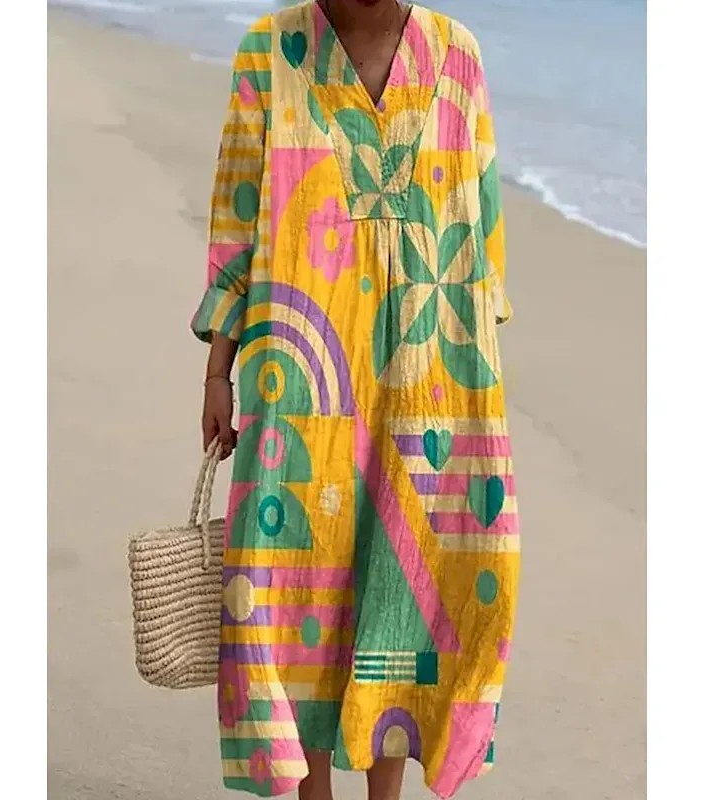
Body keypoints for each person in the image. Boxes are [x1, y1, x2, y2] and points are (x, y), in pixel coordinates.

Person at [193, 1, 519, 798]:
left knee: (409, 580)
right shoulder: (268, 52)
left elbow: (481, 233)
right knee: (296, 580)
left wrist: (473, 376)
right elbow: (238, 218)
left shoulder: (457, 56)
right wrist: (217, 371)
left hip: (430, 371)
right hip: (301, 374)